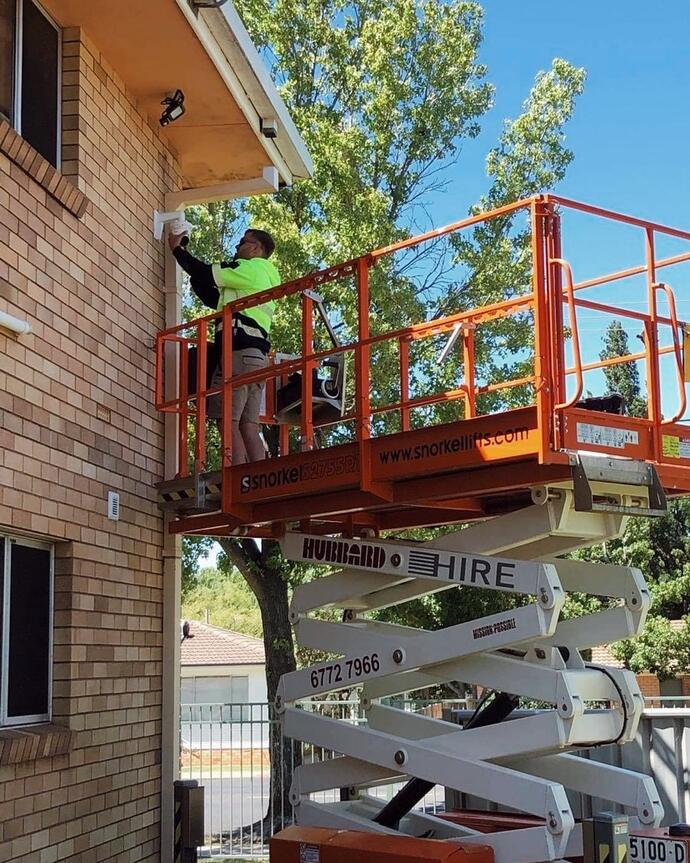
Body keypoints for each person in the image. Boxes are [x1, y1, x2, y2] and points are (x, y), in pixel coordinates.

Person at [168, 224, 281, 464]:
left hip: (238, 355)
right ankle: (260, 476)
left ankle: (237, 478)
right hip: (258, 360)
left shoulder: (248, 268)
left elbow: (207, 272)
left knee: (226, 419)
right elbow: (210, 294)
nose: (237, 245)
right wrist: (190, 269)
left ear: (256, 248)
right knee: (248, 424)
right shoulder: (265, 278)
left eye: (242, 241)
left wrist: (178, 250)